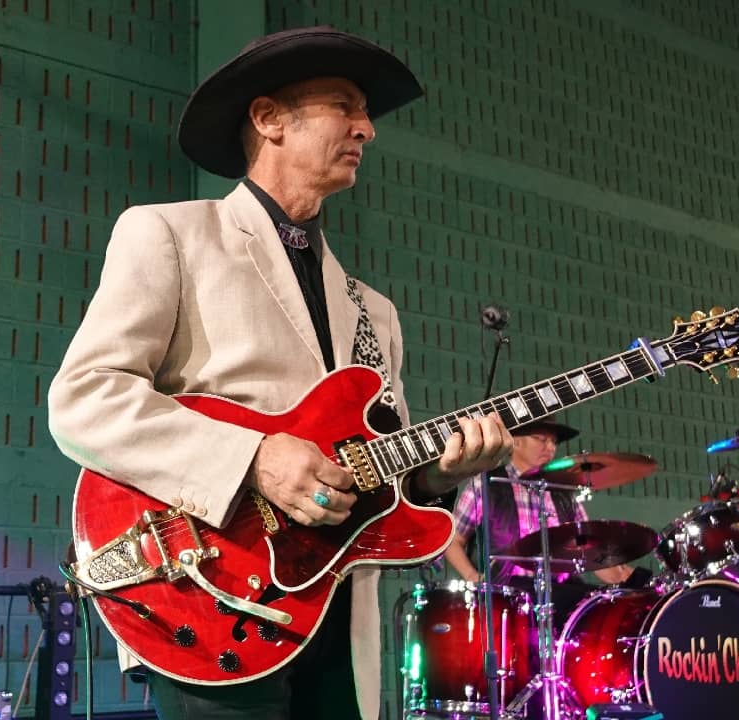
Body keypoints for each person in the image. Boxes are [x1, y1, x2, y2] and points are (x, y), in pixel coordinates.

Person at [48, 26, 513, 720]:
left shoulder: (374, 312)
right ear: (268, 120)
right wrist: (254, 459)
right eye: (345, 106)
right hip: (209, 598)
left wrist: (438, 477)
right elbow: (84, 398)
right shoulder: (169, 234)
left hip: (335, 613)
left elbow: (386, 477)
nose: (367, 129)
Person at [444, 418, 645, 623]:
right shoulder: (487, 485)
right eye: (541, 439)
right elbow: (452, 540)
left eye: (554, 442)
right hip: (509, 594)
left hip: (560, 592)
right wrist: (473, 577)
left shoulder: (564, 494)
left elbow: (590, 550)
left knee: (605, 608)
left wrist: (623, 575)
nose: (549, 447)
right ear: (516, 441)